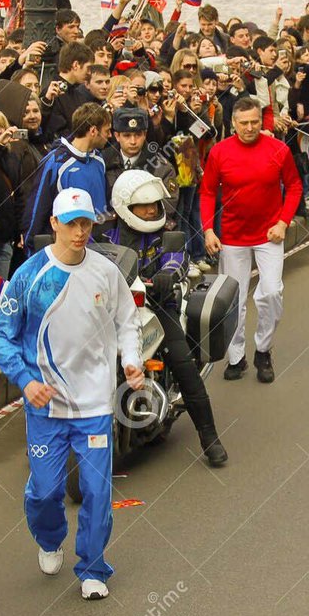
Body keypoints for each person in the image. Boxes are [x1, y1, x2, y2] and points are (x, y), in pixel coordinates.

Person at [0, 188, 142, 601]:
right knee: (45, 492)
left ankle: (93, 567)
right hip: (45, 405)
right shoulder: (28, 276)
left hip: (93, 403)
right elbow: (0, 336)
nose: (79, 231)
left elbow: (128, 321)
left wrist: (131, 360)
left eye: (86, 223)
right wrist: (25, 380)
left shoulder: (106, 273)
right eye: (71, 223)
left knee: (96, 490)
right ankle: (50, 537)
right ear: (54, 223)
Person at [103, 171, 227, 466]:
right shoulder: (104, 236)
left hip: (157, 307)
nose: (152, 210)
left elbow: (176, 258)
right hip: (109, 312)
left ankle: (209, 438)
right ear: (123, 207)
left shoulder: (166, 236)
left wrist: (166, 275)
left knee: (184, 366)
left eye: (155, 204)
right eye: (144, 206)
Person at [200, 97, 302, 383]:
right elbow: (207, 192)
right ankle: (236, 357)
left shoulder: (278, 149)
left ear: (261, 120)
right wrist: (208, 229)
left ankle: (263, 349)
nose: (249, 128)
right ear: (233, 123)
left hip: (269, 234)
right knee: (233, 300)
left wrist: (283, 222)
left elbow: (294, 186)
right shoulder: (219, 152)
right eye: (243, 123)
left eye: (254, 122)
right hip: (232, 237)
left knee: (271, 293)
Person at [22, 103, 111, 249]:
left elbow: (105, 201)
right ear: (93, 131)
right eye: (107, 131)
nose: (110, 135)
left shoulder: (99, 159)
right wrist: (30, 241)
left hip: (97, 245)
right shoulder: (56, 162)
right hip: (67, 247)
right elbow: (38, 203)